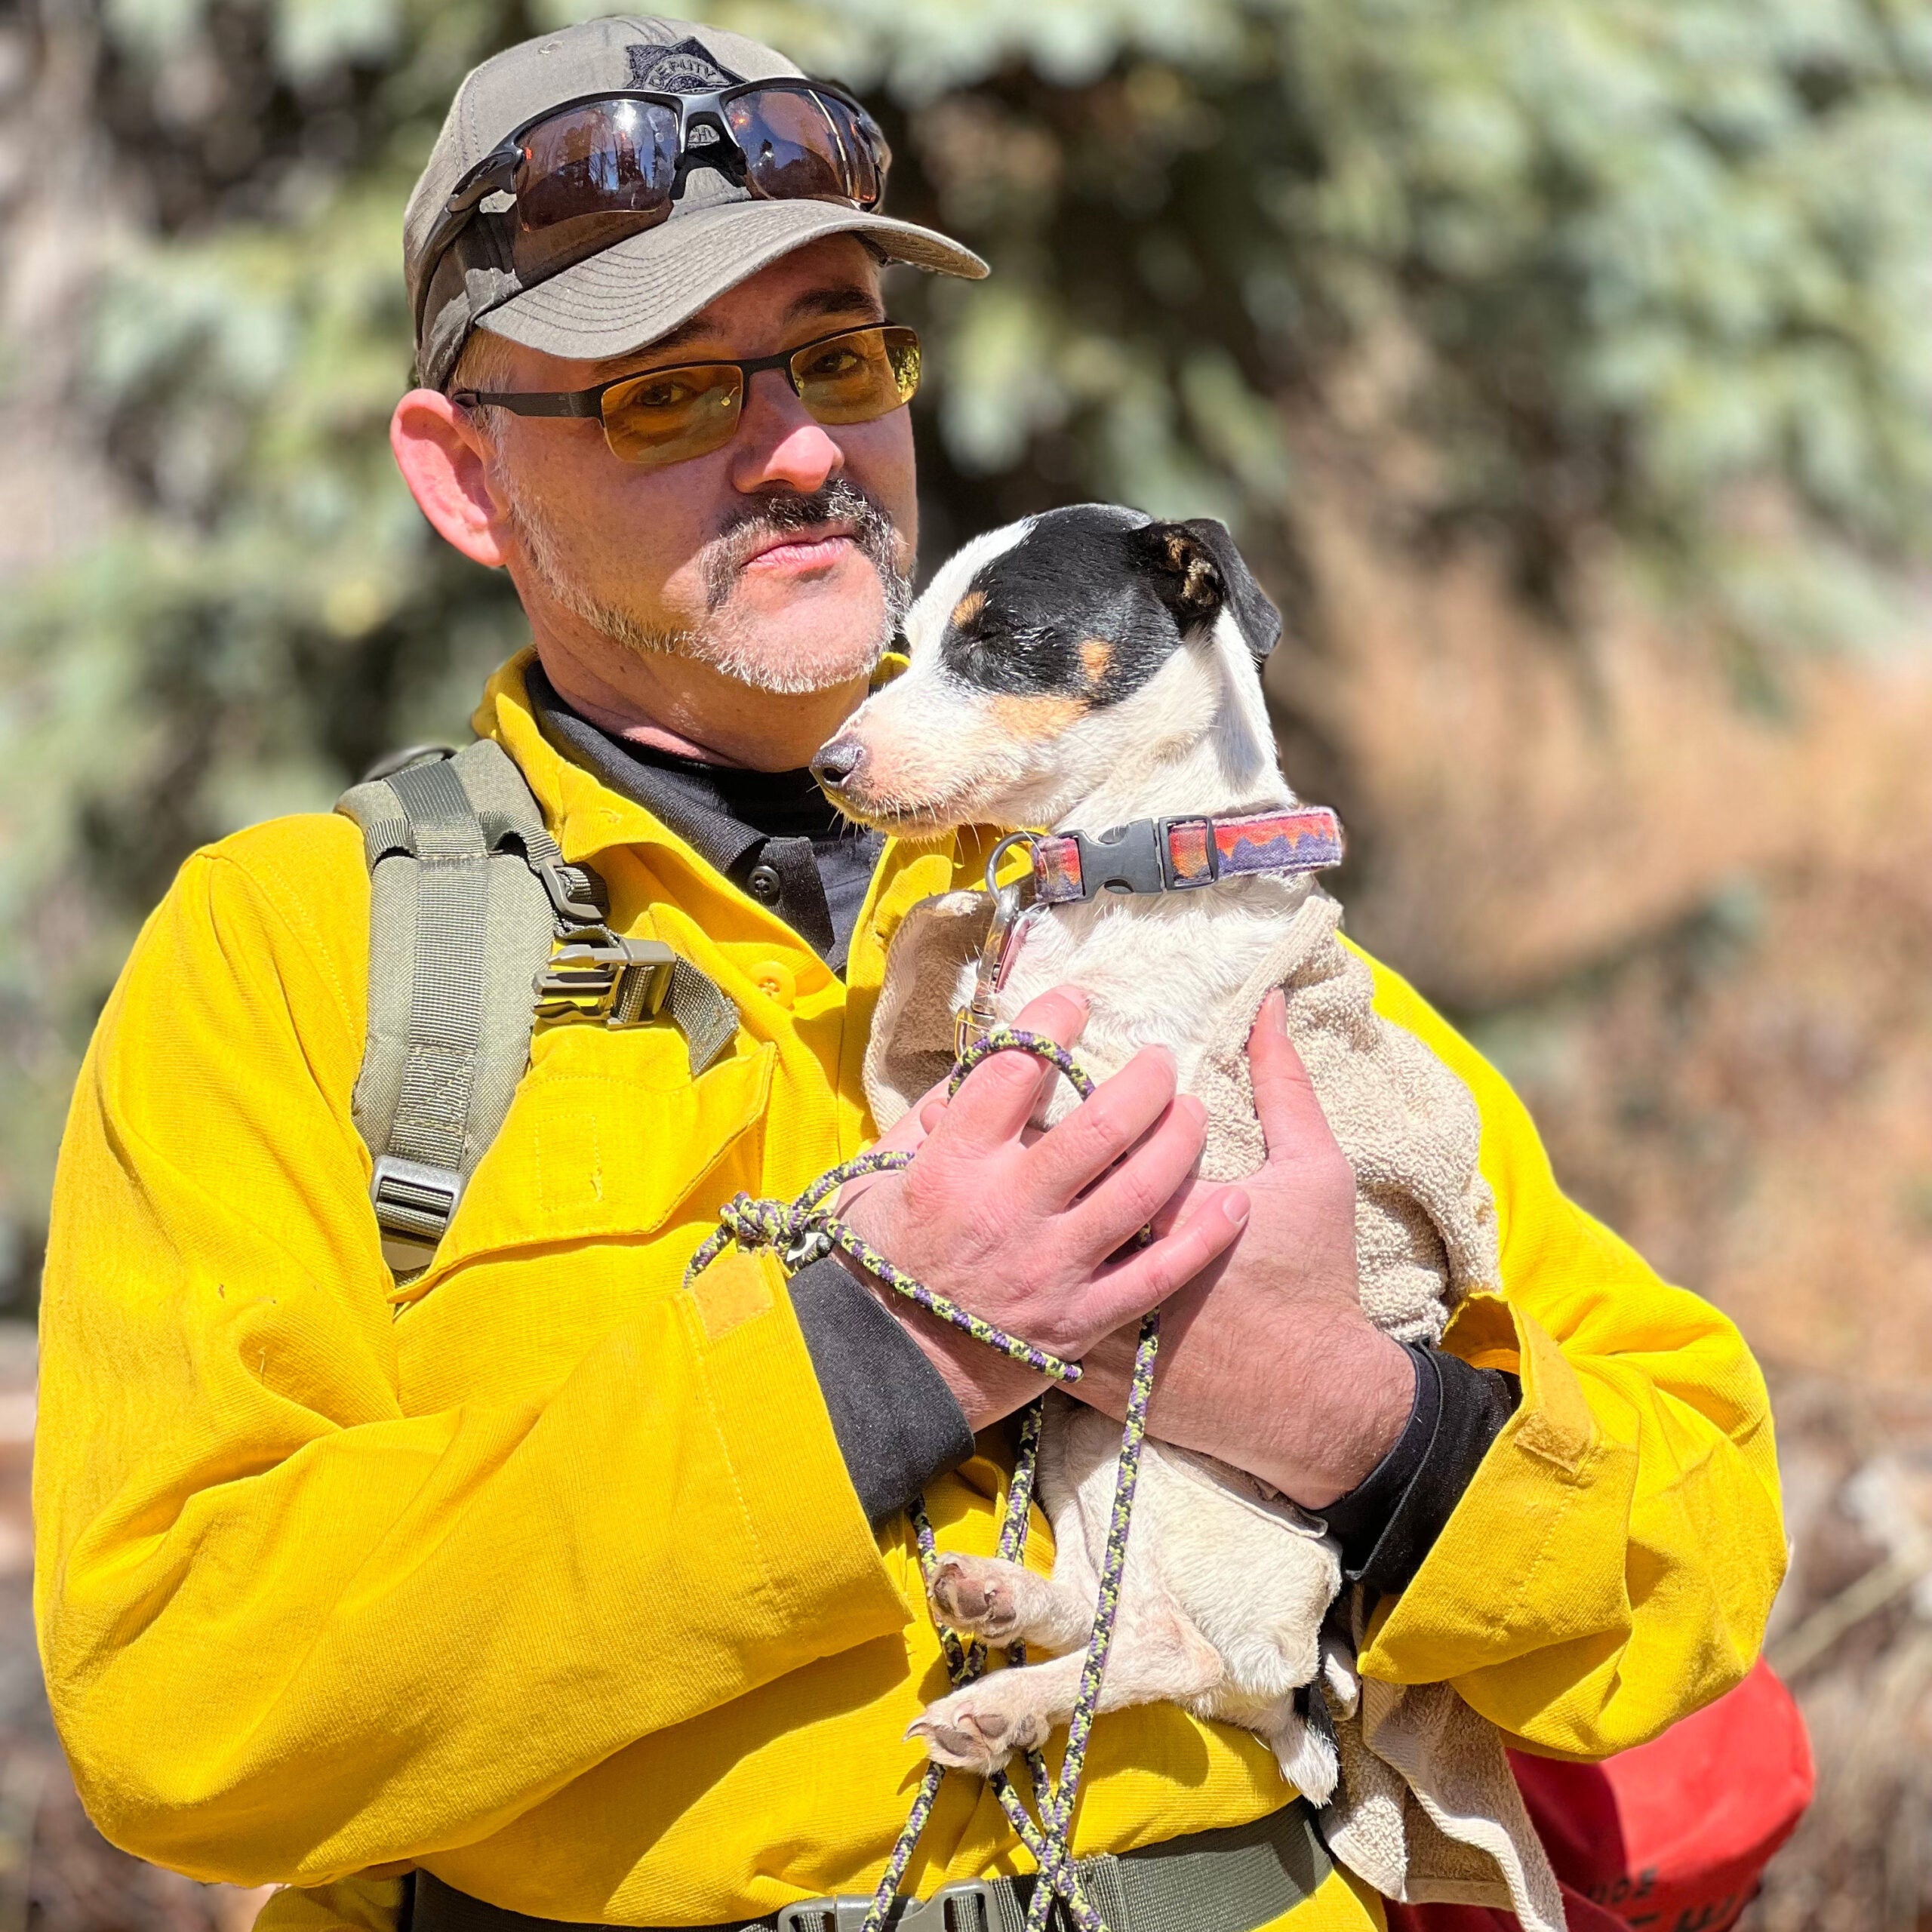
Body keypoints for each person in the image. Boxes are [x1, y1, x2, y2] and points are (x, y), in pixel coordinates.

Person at [34, 19, 1786, 1932]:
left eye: (841, 356)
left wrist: (1351, 1422)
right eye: (662, 395)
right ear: (464, 482)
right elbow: (179, 1704)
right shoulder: (296, 951)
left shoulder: (1171, 911)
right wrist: (881, 1352)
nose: (799, 447)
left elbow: (1696, 1547)